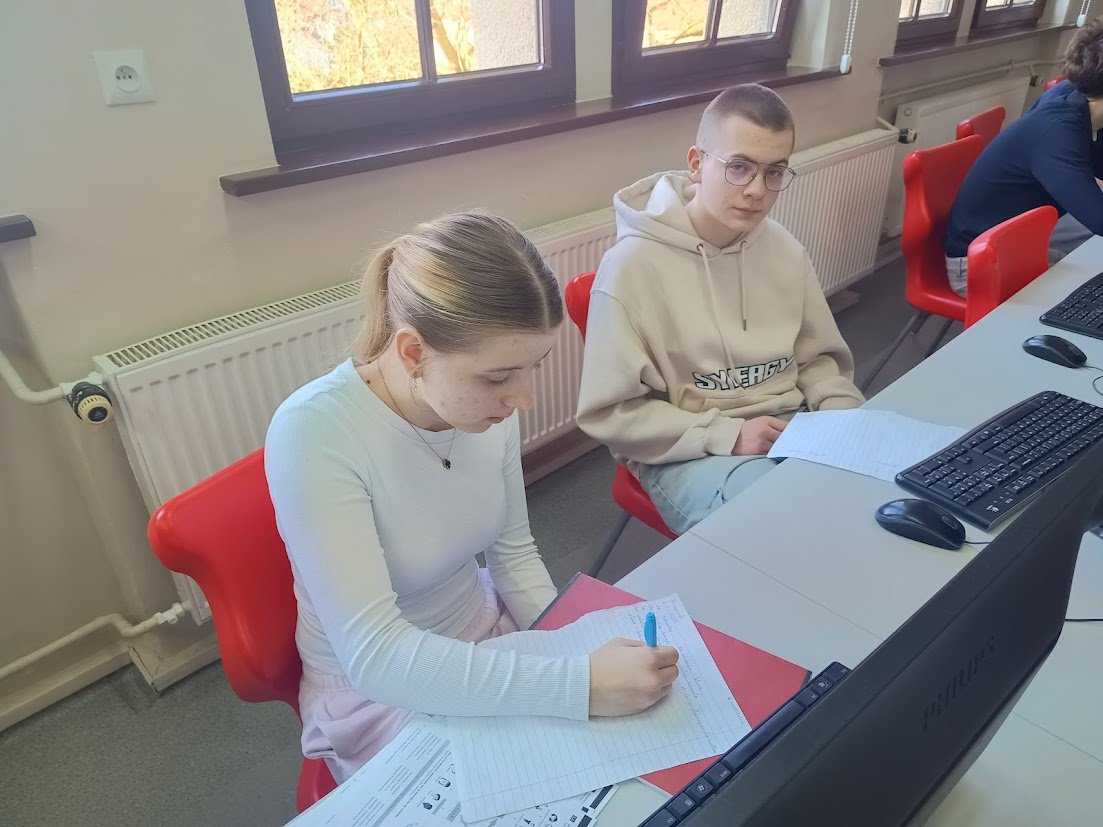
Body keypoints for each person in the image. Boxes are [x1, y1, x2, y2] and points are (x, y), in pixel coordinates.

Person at [265, 211, 679, 783]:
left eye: (534, 367)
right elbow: (377, 657)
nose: (523, 398)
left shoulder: (485, 408)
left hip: (486, 630)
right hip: (380, 690)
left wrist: (570, 644)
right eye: (498, 377)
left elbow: (514, 555)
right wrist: (577, 683)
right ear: (413, 353)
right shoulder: (314, 431)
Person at [575, 84, 864, 536]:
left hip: (792, 422)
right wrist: (727, 435)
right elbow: (613, 413)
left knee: (870, 500)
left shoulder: (785, 250)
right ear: (697, 164)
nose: (756, 191)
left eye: (774, 172)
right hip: (688, 445)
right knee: (779, 529)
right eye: (739, 167)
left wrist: (843, 418)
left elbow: (818, 361)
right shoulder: (631, 267)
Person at [944, 18, 1103, 297]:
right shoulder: (1056, 131)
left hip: (1030, 227)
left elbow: (1094, 173)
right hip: (979, 263)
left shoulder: (1073, 94)